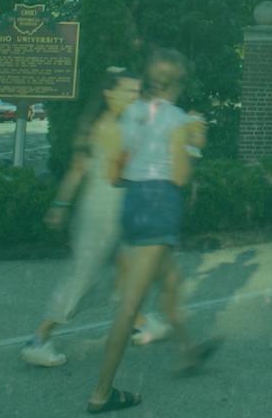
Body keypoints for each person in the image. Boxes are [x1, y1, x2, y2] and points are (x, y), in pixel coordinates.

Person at [87, 48, 217, 414]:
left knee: (171, 282)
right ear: (179, 83)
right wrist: (194, 144)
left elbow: (115, 176)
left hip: (133, 203)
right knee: (131, 305)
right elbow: (178, 177)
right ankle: (101, 392)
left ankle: (189, 352)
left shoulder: (130, 115)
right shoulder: (178, 120)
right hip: (159, 207)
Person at [20, 68, 170, 367]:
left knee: (125, 269)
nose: (135, 97)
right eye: (128, 91)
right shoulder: (113, 129)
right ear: (109, 93)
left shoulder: (105, 123)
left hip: (103, 206)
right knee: (84, 276)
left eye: (137, 91)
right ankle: (39, 340)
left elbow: (78, 169)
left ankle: (140, 322)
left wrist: (61, 204)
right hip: (106, 210)